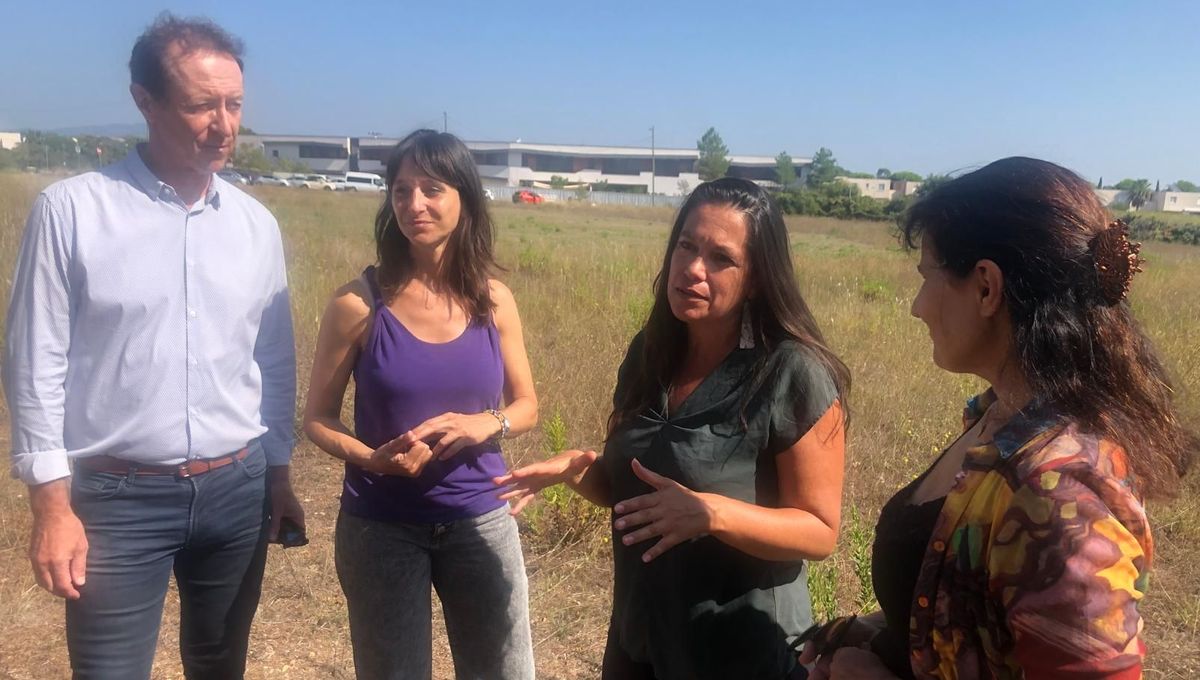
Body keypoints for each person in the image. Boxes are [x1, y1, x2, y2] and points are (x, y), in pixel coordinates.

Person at [800, 157, 1194, 679]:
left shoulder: (1062, 499)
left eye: (927, 277)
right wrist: (886, 632)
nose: (917, 306)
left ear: (986, 286)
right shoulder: (1000, 423)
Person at [3, 13, 302, 680]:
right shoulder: (73, 211)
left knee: (220, 664)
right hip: (116, 497)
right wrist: (51, 507)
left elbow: (272, 361)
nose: (224, 125)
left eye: (234, 104)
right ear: (145, 100)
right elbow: (34, 367)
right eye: (201, 105)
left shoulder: (256, 226)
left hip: (237, 489)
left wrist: (278, 473)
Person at [496, 177, 850, 680]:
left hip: (738, 655)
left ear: (756, 277)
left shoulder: (792, 372)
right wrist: (579, 472)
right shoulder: (650, 353)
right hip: (639, 643)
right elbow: (638, 497)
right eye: (686, 245)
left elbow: (820, 531)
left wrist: (711, 514)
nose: (692, 268)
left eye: (720, 258)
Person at [302, 129, 538, 679]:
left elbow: (527, 405)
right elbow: (317, 417)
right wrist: (371, 459)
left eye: (431, 188)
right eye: (402, 189)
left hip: (480, 519)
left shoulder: (493, 300)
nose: (414, 204)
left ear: (464, 198)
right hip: (381, 527)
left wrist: (488, 422)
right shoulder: (357, 304)